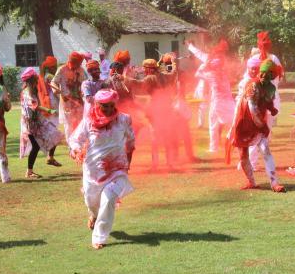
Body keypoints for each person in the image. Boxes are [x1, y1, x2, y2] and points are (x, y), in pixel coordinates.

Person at [69, 89, 135, 249]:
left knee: (109, 197)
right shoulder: (89, 121)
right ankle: (93, 214)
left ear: (115, 103)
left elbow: (130, 141)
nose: (108, 109)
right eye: (104, 106)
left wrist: (127, 163)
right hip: (93, 170)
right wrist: (76, 150)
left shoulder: (124, 120)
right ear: (97, 105)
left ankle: (99, 237)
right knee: (92, 202)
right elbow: (75, 139)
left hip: (116, 169)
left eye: (111, 105)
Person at [226, 59, 285, 192]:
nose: (264, 76)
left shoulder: (271, 87)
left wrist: (271, 108)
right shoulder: (252, 85)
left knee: (265, 149)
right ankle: (251, 182)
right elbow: (252, 108)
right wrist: (262, 125)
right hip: (243, 121)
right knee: (243, 155)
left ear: (272, 75)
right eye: (263, 73)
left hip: (257, 122)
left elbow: (267, 100)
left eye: (268, 74)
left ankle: (274, 183)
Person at [125, 58, 178, 170]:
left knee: (155, 138)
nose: (144, 70)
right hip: (167, 108)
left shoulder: (150, 77)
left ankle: (155, 164)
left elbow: (138, 84)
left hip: (155, 109)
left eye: (145, 68)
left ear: (149, 69)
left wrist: (125, 77)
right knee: (167, 137)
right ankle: (169, 163)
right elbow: (173, 73)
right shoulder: (164, 75)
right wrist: (173, 63)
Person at [189, 39, 235, 153]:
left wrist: (205, 64)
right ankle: (229, 146)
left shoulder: (210, 74)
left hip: (218, 103)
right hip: (229, 102)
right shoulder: (224, 74)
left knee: (217, 125)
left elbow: (197, 74)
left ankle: (216, 147)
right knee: (228, 124)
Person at [20, 68, 64, 178]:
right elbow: (34, 106)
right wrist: (49, 110)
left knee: (55, 136)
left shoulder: (30, 90)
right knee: (37, 146)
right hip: (32, 124)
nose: (37, 80)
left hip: (36, 121)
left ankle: (49, 158)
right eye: (35, 79)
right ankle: (30, 171)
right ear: (31, 80)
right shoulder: (27, 92)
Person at [51, 51, 86, 142]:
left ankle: (79, 143)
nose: (79, 65)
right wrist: (55, 89)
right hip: (66, 102)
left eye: (80, 63)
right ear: (72, 62)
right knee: (69, 124)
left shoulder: (81, 70)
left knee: (80, 123)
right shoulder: (62, 69)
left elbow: (85, 83)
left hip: (79, 101)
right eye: (78, 63)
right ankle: (71, 145)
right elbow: (53, 82)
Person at [37, 56, 62, 166]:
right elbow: (55, 88)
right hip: (52, 106)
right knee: (55, 134)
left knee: (53, 133)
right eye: (54, 66)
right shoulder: (50, 76)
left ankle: (50, 156)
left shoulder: (44, 76)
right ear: (51, 67)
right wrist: (62, 91)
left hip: (49, 106)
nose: (56, 68)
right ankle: (49, 156)